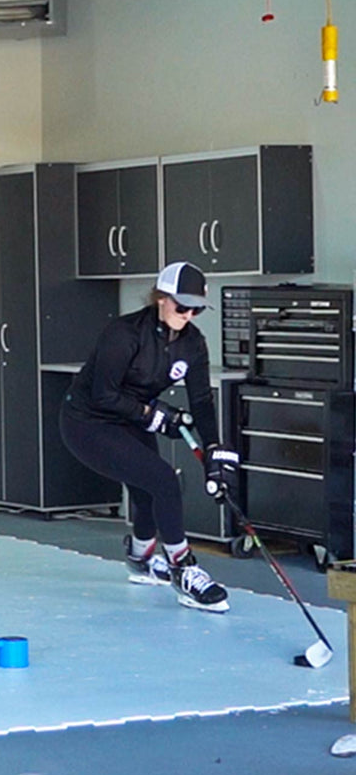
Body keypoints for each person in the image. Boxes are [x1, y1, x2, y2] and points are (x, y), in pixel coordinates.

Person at [59, 261, 239, 613]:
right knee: (163, 481)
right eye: (180, 305)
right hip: (87, 422)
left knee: (147, 491)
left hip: (131, 419)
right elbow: (103, 395)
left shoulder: (193, 344)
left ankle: (140, 560)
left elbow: (202, 400)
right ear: (161, 298)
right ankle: (183, 569)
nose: (187, 314)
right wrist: (153, 415)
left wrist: (214, 448)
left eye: (196, 308)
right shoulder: (124, 334)